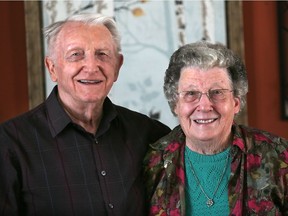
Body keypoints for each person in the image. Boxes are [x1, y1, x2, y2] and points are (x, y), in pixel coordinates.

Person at [0, 13, 170, 216]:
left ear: (117, 66)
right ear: (52, 68)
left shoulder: (150, 134)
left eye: (102, 55)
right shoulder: (10, 143)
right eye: (75, 55)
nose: (91, 67)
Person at [143, 41, 288, 215]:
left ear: (236, 102)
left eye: (217, 92)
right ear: (176, 104)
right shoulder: (152, 164)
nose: (204, 106)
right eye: (191, 94)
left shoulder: (279, 158)